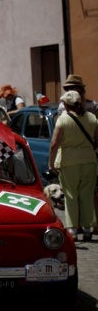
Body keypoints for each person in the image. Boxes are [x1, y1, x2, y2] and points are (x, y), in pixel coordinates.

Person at [48, 90, 98, 242]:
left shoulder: (63, 120)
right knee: (87, 194)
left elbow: (54, 144)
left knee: (70, 195)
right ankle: (88, 228)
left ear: (66, 105)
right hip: (89, 160)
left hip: (68, 161)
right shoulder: (92, 118)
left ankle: (73, 229)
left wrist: (51, 163)